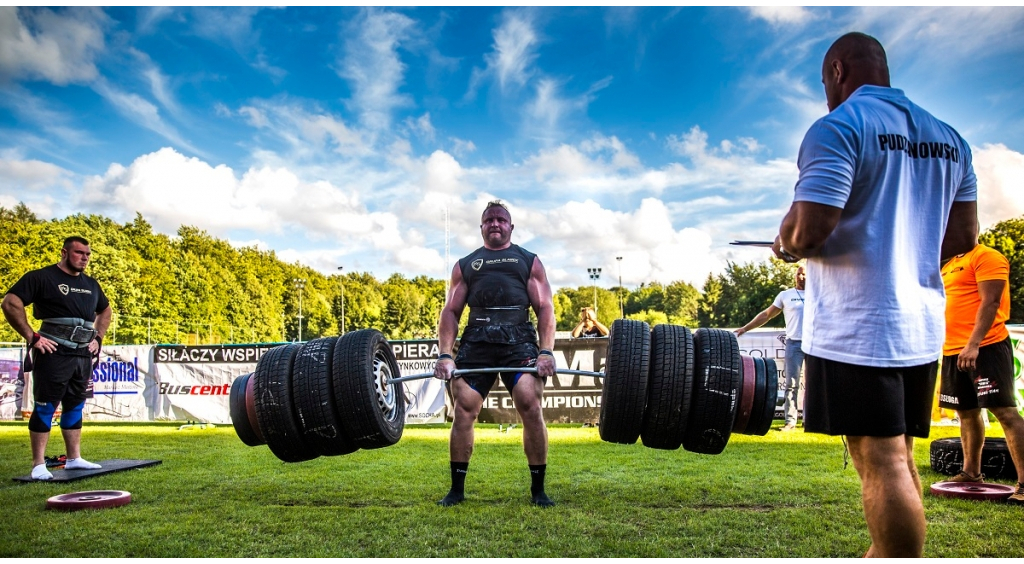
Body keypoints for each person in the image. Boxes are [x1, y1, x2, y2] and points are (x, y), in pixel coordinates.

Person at [773, 32, 978, 556]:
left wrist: (786, 242)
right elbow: (961, 239)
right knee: (900, 455)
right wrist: (900, 249)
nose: (825, 94)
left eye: (824, 82)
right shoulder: (950, 137)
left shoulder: (839, 127)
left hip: (859, 324)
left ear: (838, 71)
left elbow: (810, 230)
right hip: (918, 327)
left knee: (879, 460)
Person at [434, 200, 557, 507]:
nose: (495, 224)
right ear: (481, 227)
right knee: (464, 408)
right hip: (478, 342)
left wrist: (546, 351)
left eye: (501, 220)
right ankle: (456, 490)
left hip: (518, 342)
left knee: (530, 403)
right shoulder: (466, 264)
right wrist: (445, 354)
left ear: (511, 227)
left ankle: (538, 490)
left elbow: (544, 307)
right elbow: (451, 310)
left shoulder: (528, 261)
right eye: (489, 220)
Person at [2, 236, 112, 480]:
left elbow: (105, 310)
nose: (84, 258)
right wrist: (33, 337)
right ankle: (38, 464)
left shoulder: (92, 284)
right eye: (79, 253)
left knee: (75, 406)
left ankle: (74, 459)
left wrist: (98, 338)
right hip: (53, 352)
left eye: (87, 254)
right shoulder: (41, 277)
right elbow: (10, 303)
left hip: (82, 354)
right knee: (46, 407)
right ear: (64, 252)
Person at [937, 242, 1024, 504]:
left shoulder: (987, 256)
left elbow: (991, 301)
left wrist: (973, 344)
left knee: (1005, 413)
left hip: (985, 346)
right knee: (966, 413)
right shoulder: (949, 264)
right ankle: (971, 473)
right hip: (953, 350)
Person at [735, 266, 806, 431]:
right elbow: (766, 315)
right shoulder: (785, 295)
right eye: (798, 273)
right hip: (794, 344)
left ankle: (811, 421)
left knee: (814, 384)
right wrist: (745, 328)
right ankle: (790, 422)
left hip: (815, 344)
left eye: (804, 274)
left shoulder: (819, 293)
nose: (801, 276)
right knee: (792, 384)